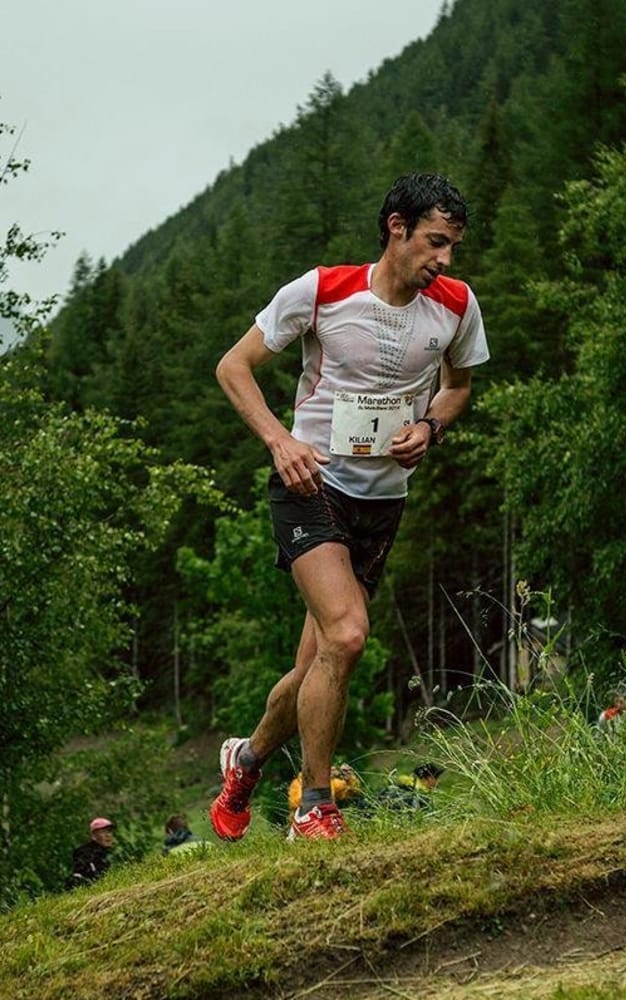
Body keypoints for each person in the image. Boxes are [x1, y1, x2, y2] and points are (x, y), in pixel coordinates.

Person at [209, 173, 489, 843]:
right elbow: (232, 367)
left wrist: (431, 428)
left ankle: (245, 761)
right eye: (434, 242)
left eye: (451, 247)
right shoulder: (323, 290)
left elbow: (459, 385)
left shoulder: (455, 305)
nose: (443, 260)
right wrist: (280, 441)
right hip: (311, 487)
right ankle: (314, 807)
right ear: (396, 227)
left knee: (317, 666)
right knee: (347, 635)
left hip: (382, 503)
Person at [286, 763, 366, 814]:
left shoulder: (332, 782)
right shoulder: (299, 782)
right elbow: (296, 804)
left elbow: (352, 792)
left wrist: (350, 778)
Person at [67, 816, 116, 887]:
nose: (108, 835)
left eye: (109, 831)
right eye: (103, 832)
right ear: (93, 836)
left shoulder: (106, 854)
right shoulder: (84, 852)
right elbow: (81, 876)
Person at [377, 762, 443, 811]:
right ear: (429, 778)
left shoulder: (398, 786)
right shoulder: (422, 796)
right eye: (436, 778)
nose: (438, 781)